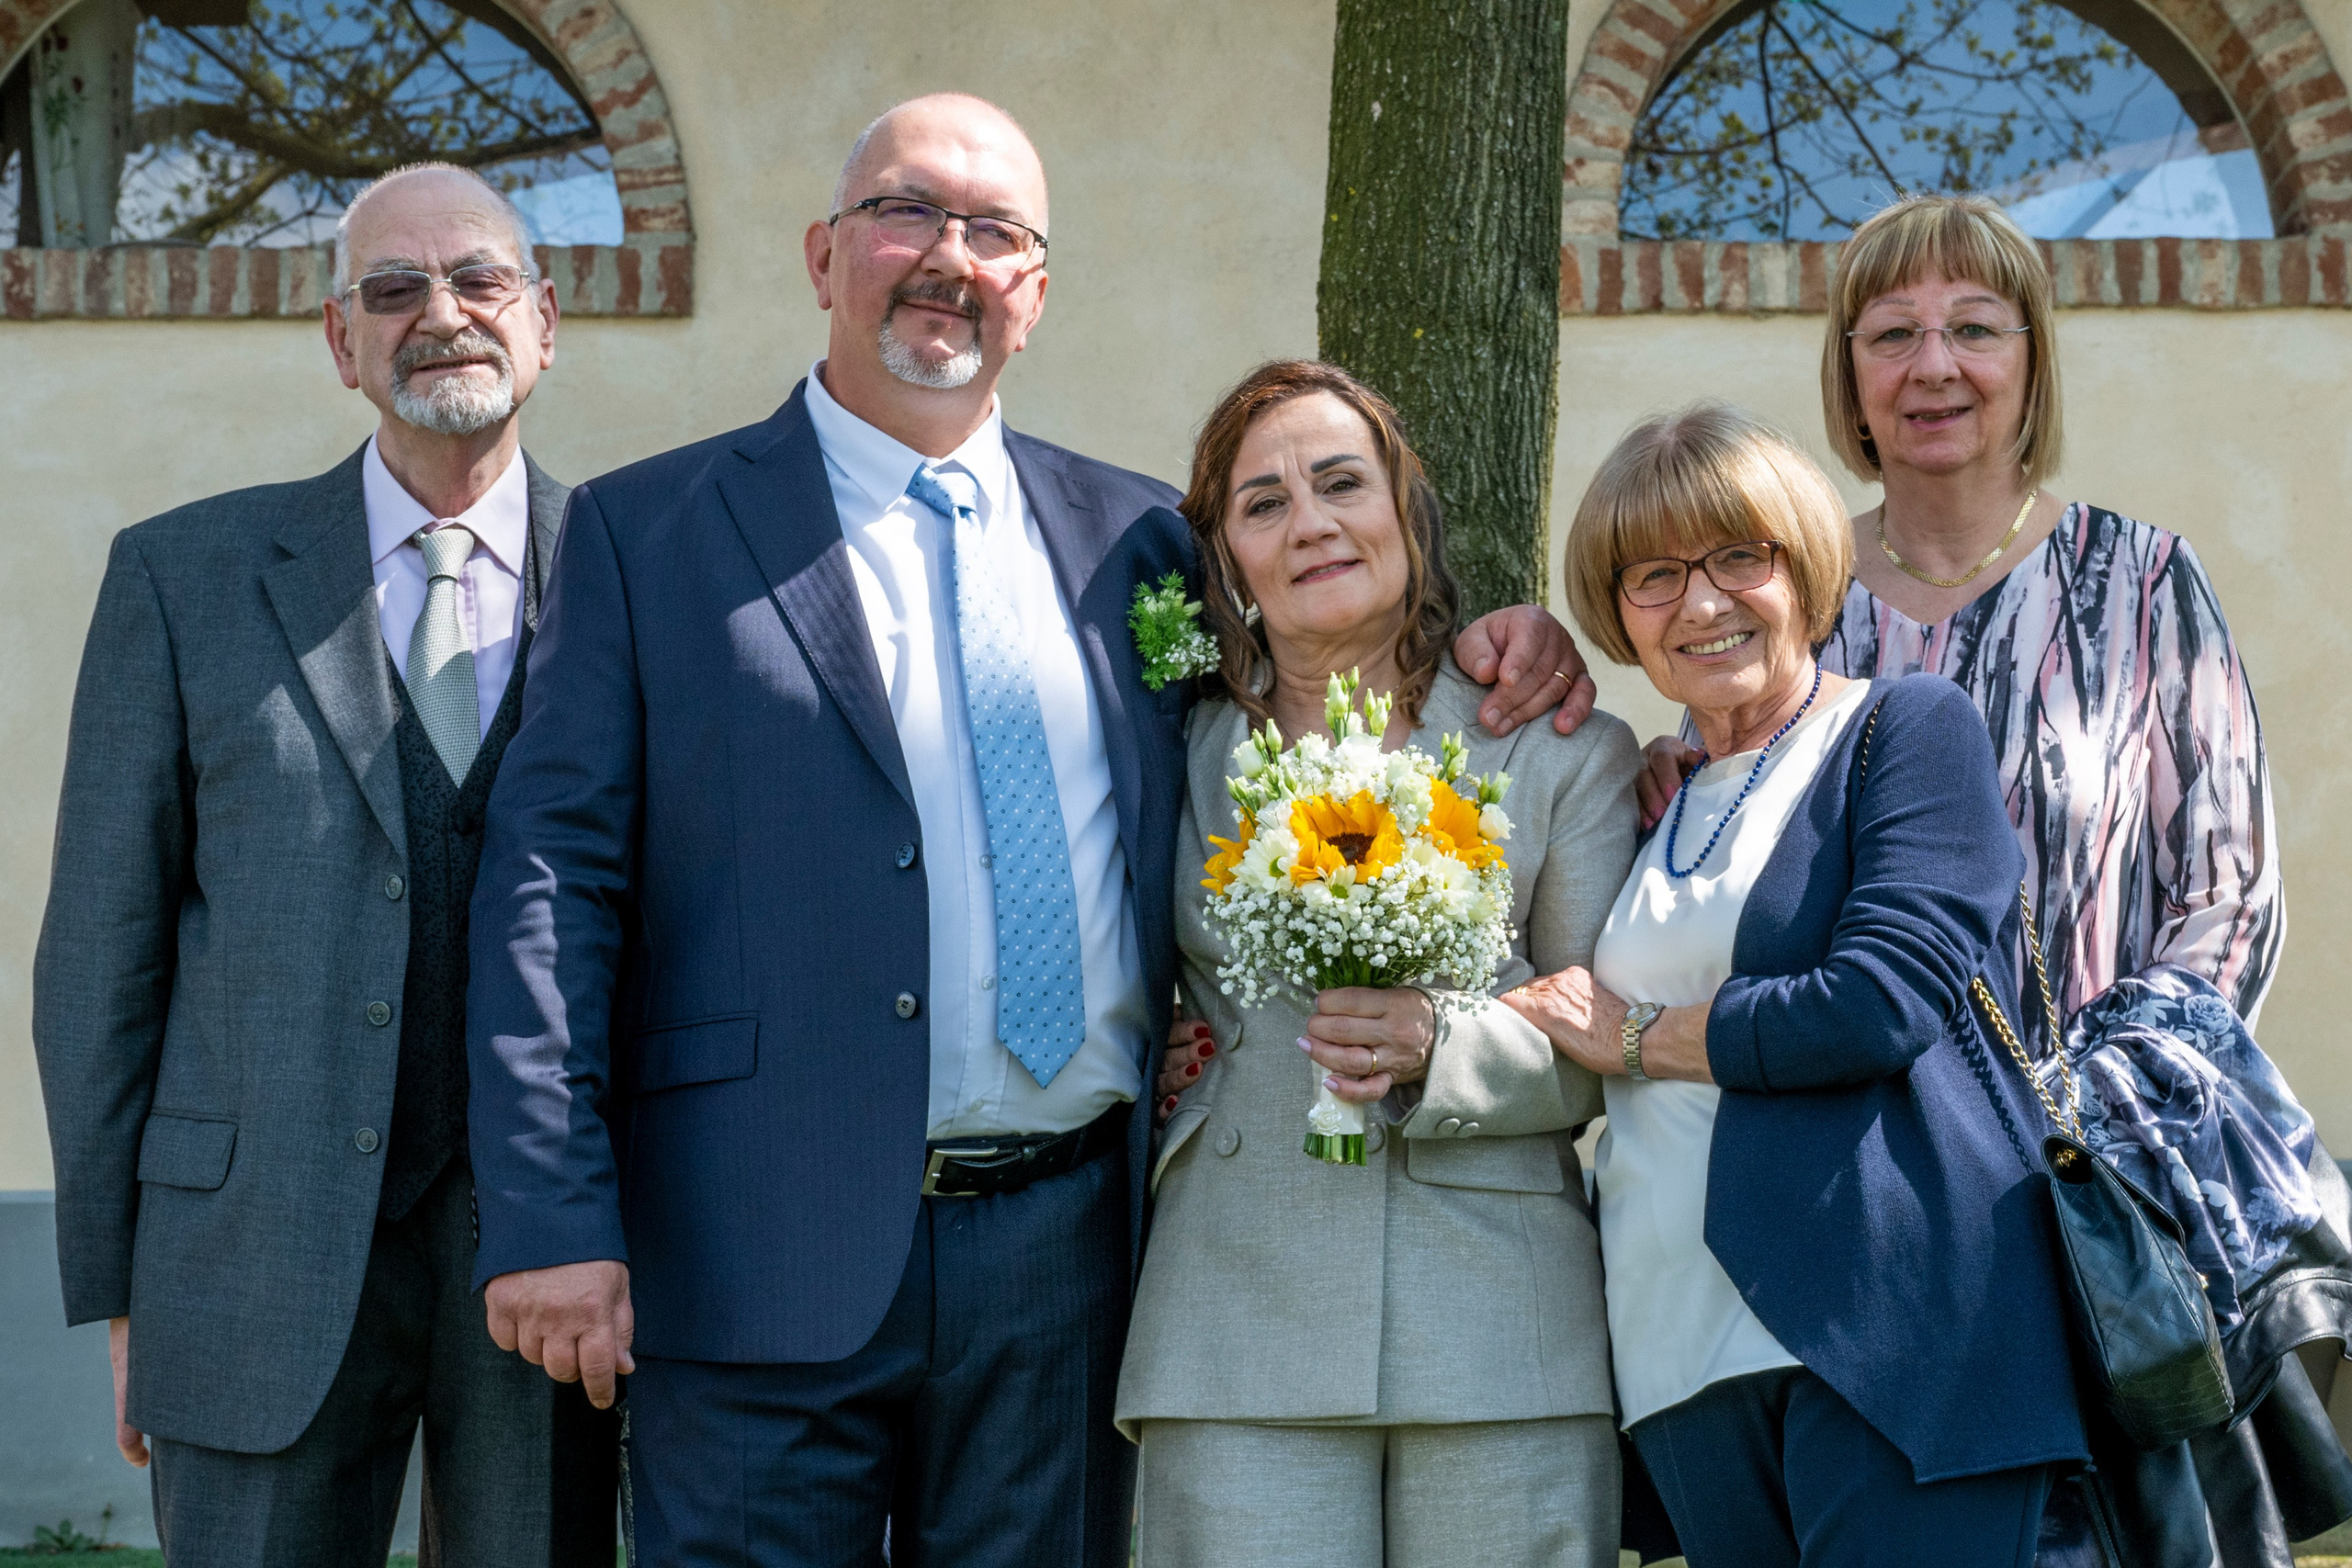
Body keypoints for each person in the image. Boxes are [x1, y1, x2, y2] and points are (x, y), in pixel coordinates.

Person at [459, 93, 1585, 1566]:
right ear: (823, 254)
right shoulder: (645, 530)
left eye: (994, 232)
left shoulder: (1139, 543)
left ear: (1035, 293)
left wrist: (1508, 638)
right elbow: (552, 883)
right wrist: (550, 1207)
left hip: (1063, 1252)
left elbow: (1314, 683)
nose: (949, 256)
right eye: (907, 213)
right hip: (751, 1236)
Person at [1630, 196, 2335, 1560]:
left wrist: (2080, 1108)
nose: (1932, 364)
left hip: (2094, 1186)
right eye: (1889, 333)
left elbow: (2231, 888)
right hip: (1872, 1208)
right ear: (1848, 376)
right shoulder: (1784, 598)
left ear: (2032, 359)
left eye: (1973, 328)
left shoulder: (2141, 582)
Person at [31, 163, 616, 1565]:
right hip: (249, 1255)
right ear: (340, 342)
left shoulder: (633, 572)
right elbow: (100, 956)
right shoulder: (183, 577)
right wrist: (125, 1288)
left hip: (550, 1252)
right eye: (393, 289)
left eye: (479, 281)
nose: (443, 315)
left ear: (545, 320)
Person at [1503, 402, 2086, 1568]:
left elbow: (1877, 1000)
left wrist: (1635, 1038)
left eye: (1739, 556)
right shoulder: (1647, 797)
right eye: (1653, 575)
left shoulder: (1904, 730)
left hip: (1891, 1329)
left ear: (1806, 566)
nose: (1703, 603)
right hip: (1676, 1348)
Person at [1114, 361, 1641, 1567]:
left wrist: (1443, 1047)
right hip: (1235, 1301)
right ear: (1226, 556)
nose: (1311, 521)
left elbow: (1618, 1038)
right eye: (1264, 502)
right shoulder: (1167, 746)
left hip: (1502, 1312)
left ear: (1405, 507)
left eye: (1341, 481)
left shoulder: (1559, 750)